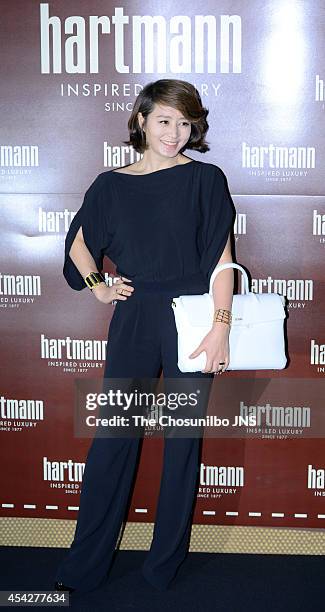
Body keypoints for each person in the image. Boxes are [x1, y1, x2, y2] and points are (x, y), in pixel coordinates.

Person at [54, 78, 236, 594]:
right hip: (134, 319)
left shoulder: (205, 180)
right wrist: (98, 286)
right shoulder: (111, 185)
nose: (174, 133)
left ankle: (163, 567)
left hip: (192, 319)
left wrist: (220, 330)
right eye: (164, 120)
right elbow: (79, 247)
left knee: (183, 445)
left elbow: (224, 263)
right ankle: (84, 566)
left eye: (184, 123)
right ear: (140, 120)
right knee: (114, 439)